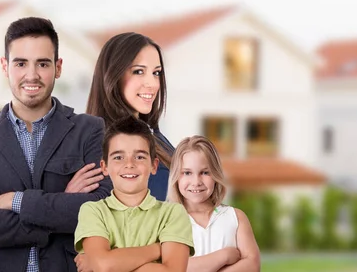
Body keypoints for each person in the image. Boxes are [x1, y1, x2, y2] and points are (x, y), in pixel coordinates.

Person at [0, 17, 112, 272]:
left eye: (43, 63)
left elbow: (102, 212)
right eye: (21, 63)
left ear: (58, 67)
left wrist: (15, 201)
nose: (32, 75)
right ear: (5, 67)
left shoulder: (89, 130)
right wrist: (60, 204)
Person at [74, 116, 194, 272]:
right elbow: (104, 265)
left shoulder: (173, 213)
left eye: (139, 157)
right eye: (118, 157)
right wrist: (157, 249)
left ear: (154, 165)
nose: (129, 164)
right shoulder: (92, 211)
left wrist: (112, 260)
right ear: (104, 167)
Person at [86, 32, 173, 201]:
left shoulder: (154, 134)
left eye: (156, 73)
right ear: (113, 76)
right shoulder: (99, 144)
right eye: (139, 71)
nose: (153, 84)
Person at [167, 136, 261, 272]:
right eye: (187, 173)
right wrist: (223, 256)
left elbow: (253, 265)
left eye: (205, 172)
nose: (196, 181)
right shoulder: (168, 221)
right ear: (176, 176)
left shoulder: (235, 217)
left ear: (216, 174)